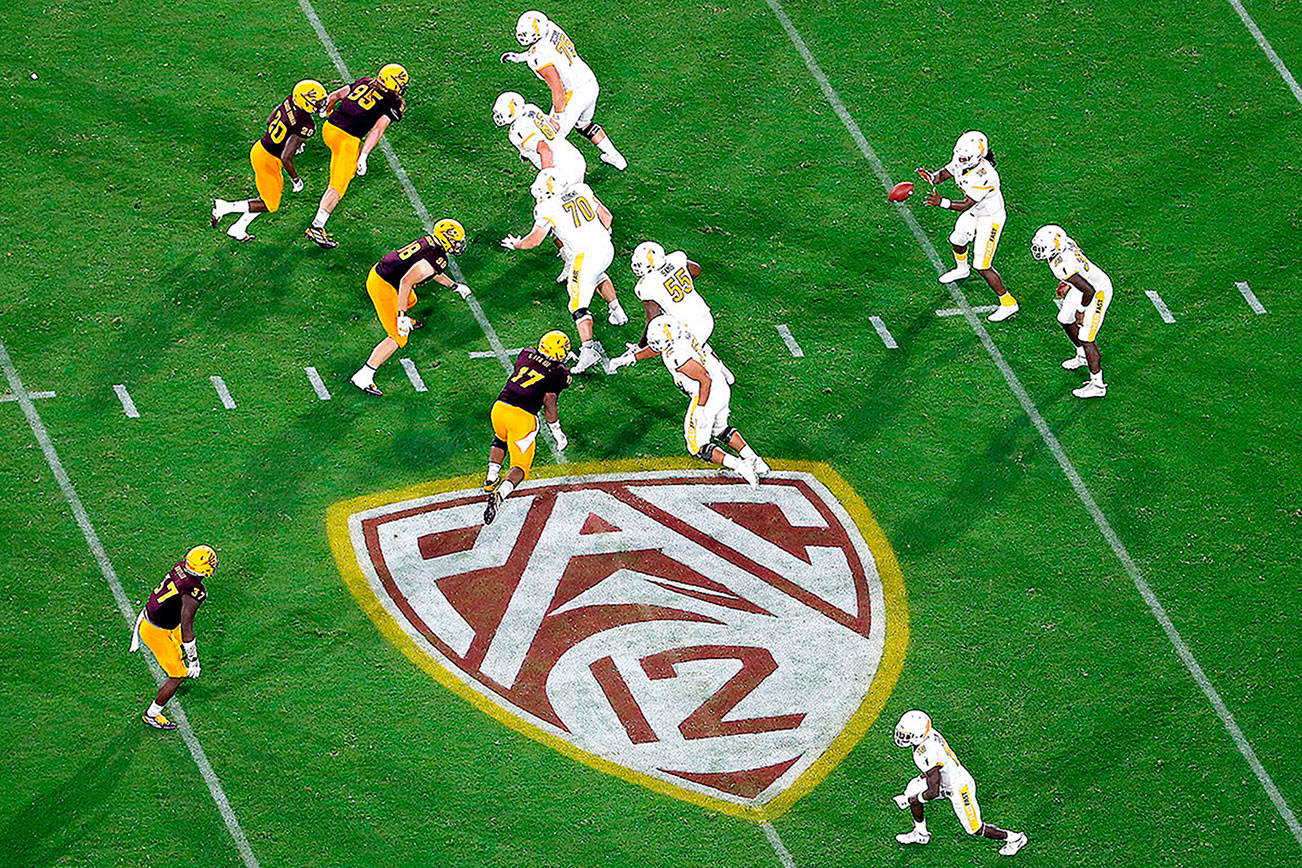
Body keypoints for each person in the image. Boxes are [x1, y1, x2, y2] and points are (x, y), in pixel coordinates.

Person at [501, 170, 628, 374]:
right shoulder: (580, 189)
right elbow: (607, 216)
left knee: (577, 304)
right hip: (605, 247)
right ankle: (617, 311)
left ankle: (588, 351)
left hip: (585, 256)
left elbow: (534, 241)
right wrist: (602, 236)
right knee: (596, 275)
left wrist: (516, 245)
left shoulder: (546, 208)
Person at [350, 220, 471, 396]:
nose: (459, 245)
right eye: (457, 241)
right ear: (446, 239)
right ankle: (364, 376)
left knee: (411, 299)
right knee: (399, 336)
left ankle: (402, 316)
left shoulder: (430, 244)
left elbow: (431, 270)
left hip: (386, 275)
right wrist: (401, 316)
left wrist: (455, 286)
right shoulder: (436, 256)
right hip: (383, 285)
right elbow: (407, 281)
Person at [642, 315, 766, 485]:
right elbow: (707, 349)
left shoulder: (676, 356)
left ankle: (740, 466)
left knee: (696, 446)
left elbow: (704, 379)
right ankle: (755, 460)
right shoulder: (684, 330)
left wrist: (700, 409)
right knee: (721, 429)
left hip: (705, 394)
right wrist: (723, 369)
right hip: (720, 385)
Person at [501, 10, 627, 169]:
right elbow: (546, 50)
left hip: (573, 93)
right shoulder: (551, 28)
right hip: (588, 81)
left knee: (550, 139)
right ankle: (615, 157)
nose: (521, 36)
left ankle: (557, 181)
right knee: (583, 125)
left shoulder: (538, 58)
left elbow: (557, 86)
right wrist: (520, 57)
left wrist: (558, 116)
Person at [892, 710, 1028, 856]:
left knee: (974, 828)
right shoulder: (927, 736)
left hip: (958, 786)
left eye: (906, 735)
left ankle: (1015, 838)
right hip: (943, 779)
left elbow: (933, 791)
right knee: (912, 791)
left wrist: (914, 799)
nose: (902, 738)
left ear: (918, 735)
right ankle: (920, 834)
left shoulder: (927, 753)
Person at [916, 131, 1017, 322]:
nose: (960, 159)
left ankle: (1008, 302)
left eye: (964, 158)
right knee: (957, 239)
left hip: (990, 217)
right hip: (976, 212)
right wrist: (932, 177)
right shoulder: (964, 160)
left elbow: (965, 204)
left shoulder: (985, 176)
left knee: (982, 265)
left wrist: (941, 202)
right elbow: (948, 171)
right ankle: (962, 269)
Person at [305, 63, 408, 249]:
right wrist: (363, 156)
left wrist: (326, 109)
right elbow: (377, 130)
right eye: (400, 83)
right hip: (347, 139)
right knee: (338, 185)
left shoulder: (365, 81)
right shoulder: (393, 103)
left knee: (343, 171)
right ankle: (316, 227)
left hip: (329, 128)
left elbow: (336, 95)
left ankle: (317, 226)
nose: (402, 87)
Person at [210, 80, 326, 242]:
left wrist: (284, 139)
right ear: (305, 101)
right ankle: (225, 207)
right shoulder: (306, 124)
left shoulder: (289, 101)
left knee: (268, 195)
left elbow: (270, 119)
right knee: (271, 204)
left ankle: (238, 228)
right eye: (317, 101)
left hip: (261, 149)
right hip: (269, 160)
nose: (321, 104)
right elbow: (287, 157)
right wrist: (296, 179)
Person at [483, 331, 573, 525]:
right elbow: (549, 402)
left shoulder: (526, 353)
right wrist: (557, 432)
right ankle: (500, 495)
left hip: (499, 408)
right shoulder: (559, 373)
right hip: (522, 418)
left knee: (500, 438)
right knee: (520, 467)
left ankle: (491, 479)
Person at [130, 545, 218, 730]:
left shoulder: (180, 567)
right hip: (156, 631)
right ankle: (152, 714)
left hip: (162, 621)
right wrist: (194, 662)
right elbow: (187, 629)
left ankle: (179, 664)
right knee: (178, 675)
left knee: (179, 653)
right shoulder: (194, 592)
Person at [1032, 224, 1113, 398]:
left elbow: (1089, 291)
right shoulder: (1065, 245)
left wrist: (1081, 311)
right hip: (1083, 286)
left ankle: (1098, 385)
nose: (1039, 250)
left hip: (1098, 291)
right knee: (1064, 318)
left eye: (1043, 247)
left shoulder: (1064, 264)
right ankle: (1082, 356)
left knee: (1086, 337)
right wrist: (1068, 283)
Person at [610, 241, 714, 373]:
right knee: (699, 345)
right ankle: (722, 370)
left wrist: (640, 346)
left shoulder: (647, 286)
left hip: (689, 326)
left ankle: (717, 384)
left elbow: (653, 322)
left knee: (678, 364)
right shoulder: (676, 258)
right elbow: (696, 269)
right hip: (704, 314)